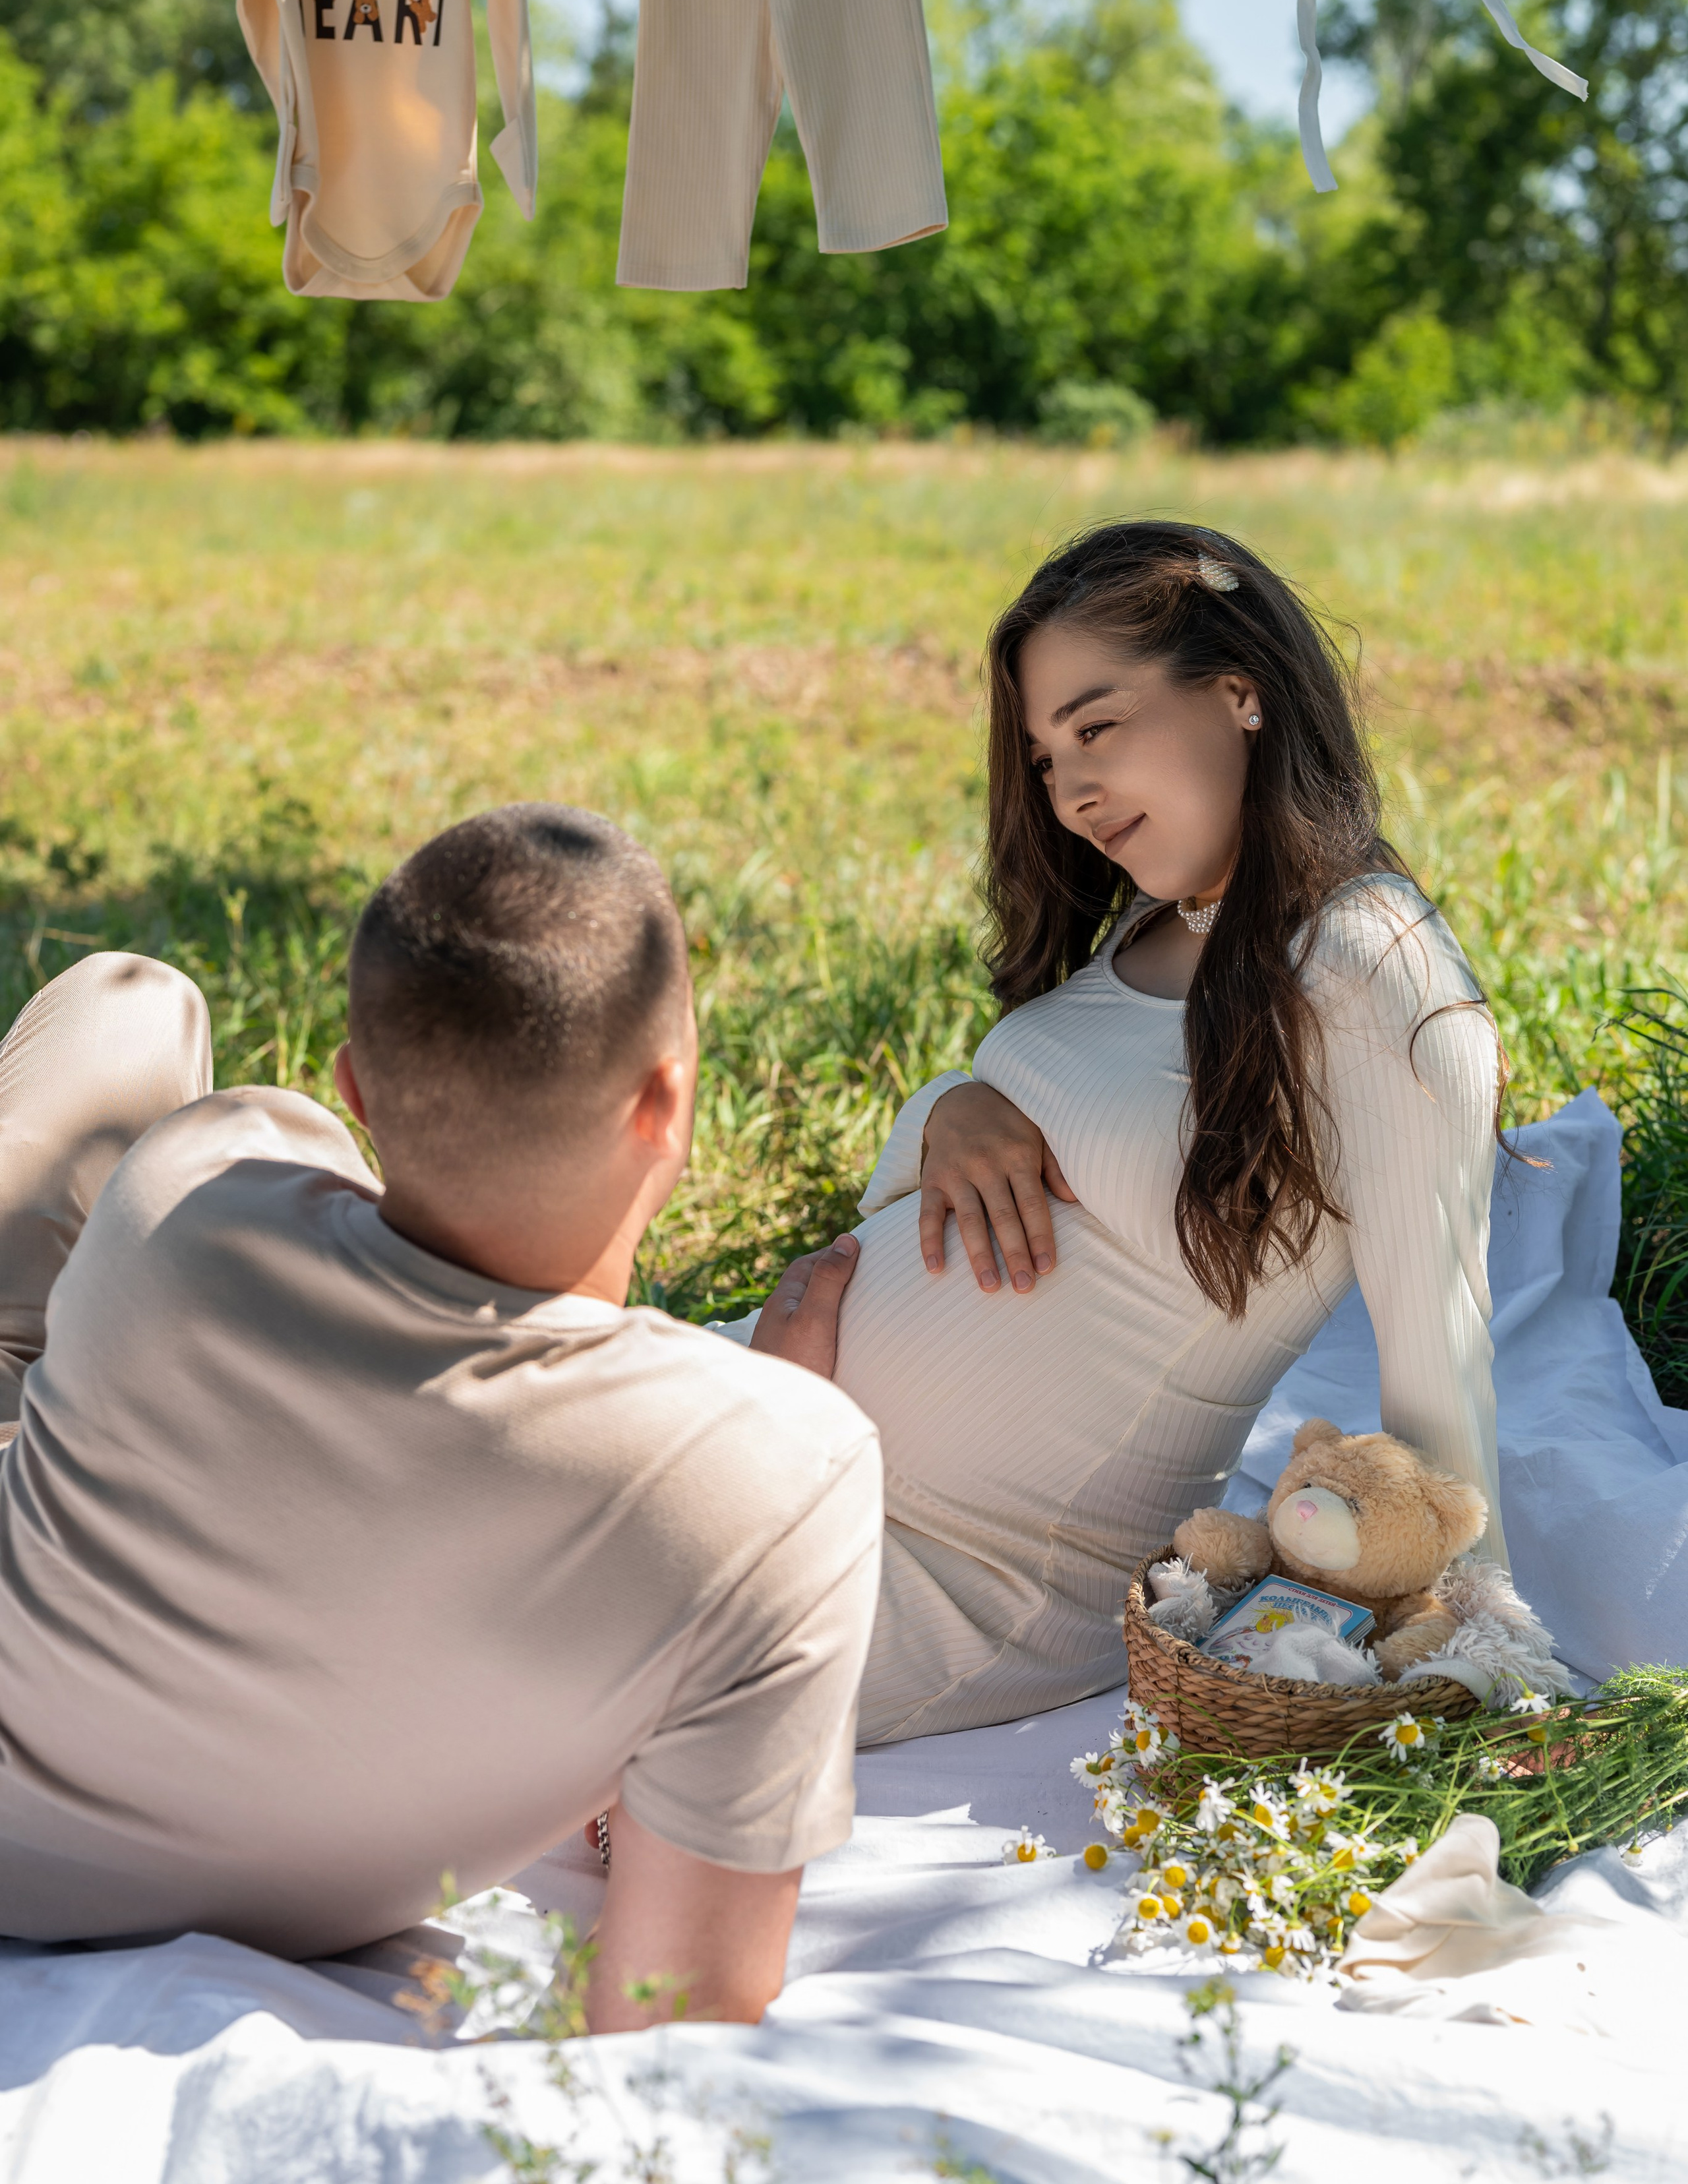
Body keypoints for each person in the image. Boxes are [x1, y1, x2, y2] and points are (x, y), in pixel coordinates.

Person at [0, 806, 878, 2026]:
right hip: (278, 1878)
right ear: (668, 1100)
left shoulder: (181, 1200)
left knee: (128, 1002)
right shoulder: (784, 1476)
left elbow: (271, 1155)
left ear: (358, 1087)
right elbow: (678, 2014)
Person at [754, 520, 1507, 1748]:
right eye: (1046, 758)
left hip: (964, 1569)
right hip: (785, 1439)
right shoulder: (1161, 920)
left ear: (1241, 692)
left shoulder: (1372, 968)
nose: (1070, 794)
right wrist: (950, 1109)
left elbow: (1441, 1350)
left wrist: (1475, 1656)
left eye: (1096, 729)